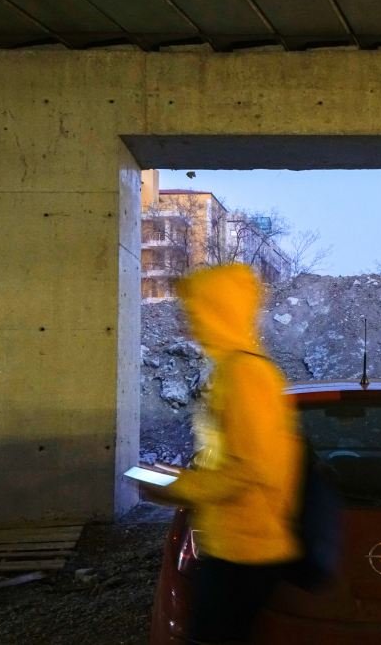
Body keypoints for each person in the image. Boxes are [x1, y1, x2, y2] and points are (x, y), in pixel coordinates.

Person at [139, 263, 303, 644]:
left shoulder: (246, 376)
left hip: (244, 550)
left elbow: (249, 469)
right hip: (232, 543)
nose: (189, 323)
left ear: (220, 311)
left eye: (197, 311)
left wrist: (180, 487)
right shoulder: (235, 370)